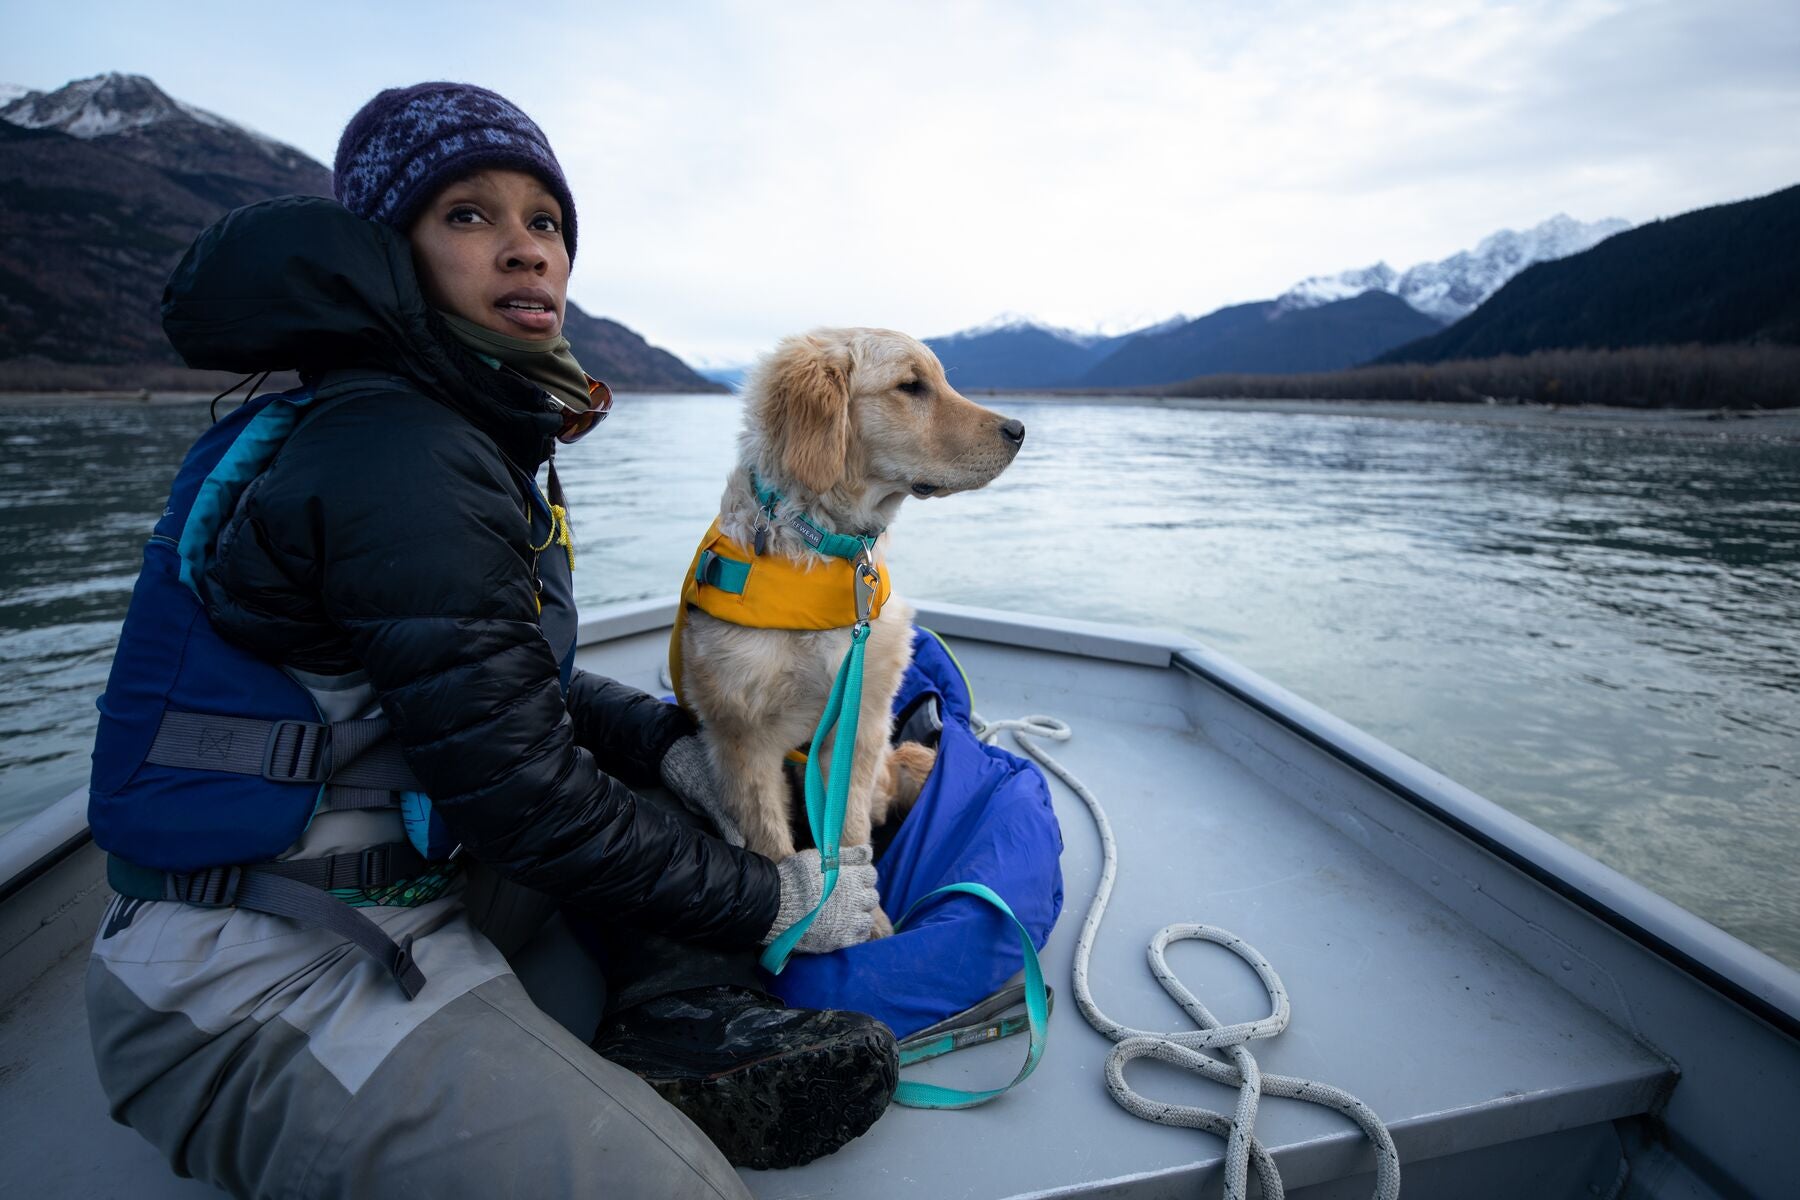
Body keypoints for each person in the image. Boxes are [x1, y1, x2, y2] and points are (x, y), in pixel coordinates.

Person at [85, 82, 896, 1199]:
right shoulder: (397, 451)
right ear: (392, 255)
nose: (527, 250)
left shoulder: (441, 423)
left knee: (681, 791)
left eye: (545, 221)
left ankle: (675, 1027)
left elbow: (504, 691)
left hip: (404, 884)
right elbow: (524, 797)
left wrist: (669, 745)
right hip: (258, 971)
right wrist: (779, 902)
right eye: (468, 215)